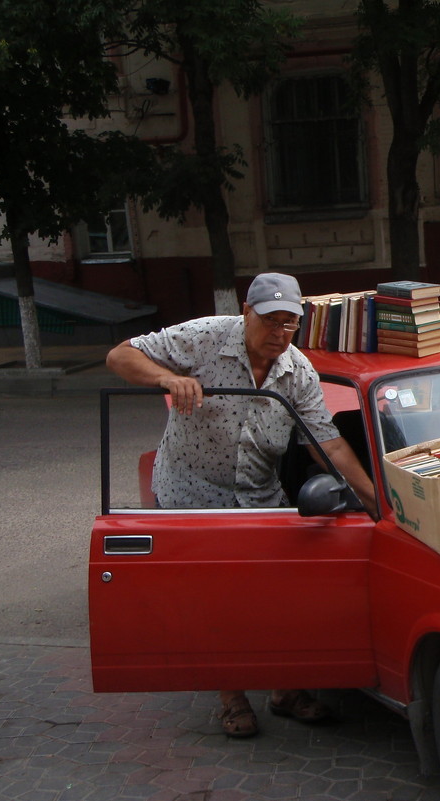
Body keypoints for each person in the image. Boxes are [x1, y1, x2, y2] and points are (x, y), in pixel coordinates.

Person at [106, 272, 378, 739]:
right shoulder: (204, 336)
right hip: (191, 491)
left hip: (257, 492)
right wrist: (169, 378)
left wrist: (381, 503)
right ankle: (231, 696)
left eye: (289, 324)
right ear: (246, 312)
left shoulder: (297, 371)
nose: (279, 333)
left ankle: (285, 690)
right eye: (270, 321)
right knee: (212, 601)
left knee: (274, 598)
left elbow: (328, 445)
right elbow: (119, 355)